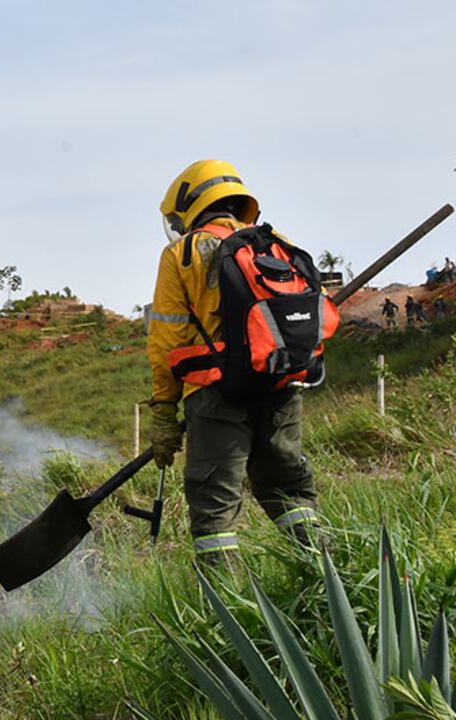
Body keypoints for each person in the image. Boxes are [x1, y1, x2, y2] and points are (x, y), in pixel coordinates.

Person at [146, 160, 319, 565]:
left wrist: (164, 412)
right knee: (291, 493)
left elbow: (166, 340)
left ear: (189, 205)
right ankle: (327, 588)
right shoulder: (276, 241)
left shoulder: (183, 252)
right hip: (281, 384)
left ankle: (226, 617)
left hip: (216, 393)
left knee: (215, 511)